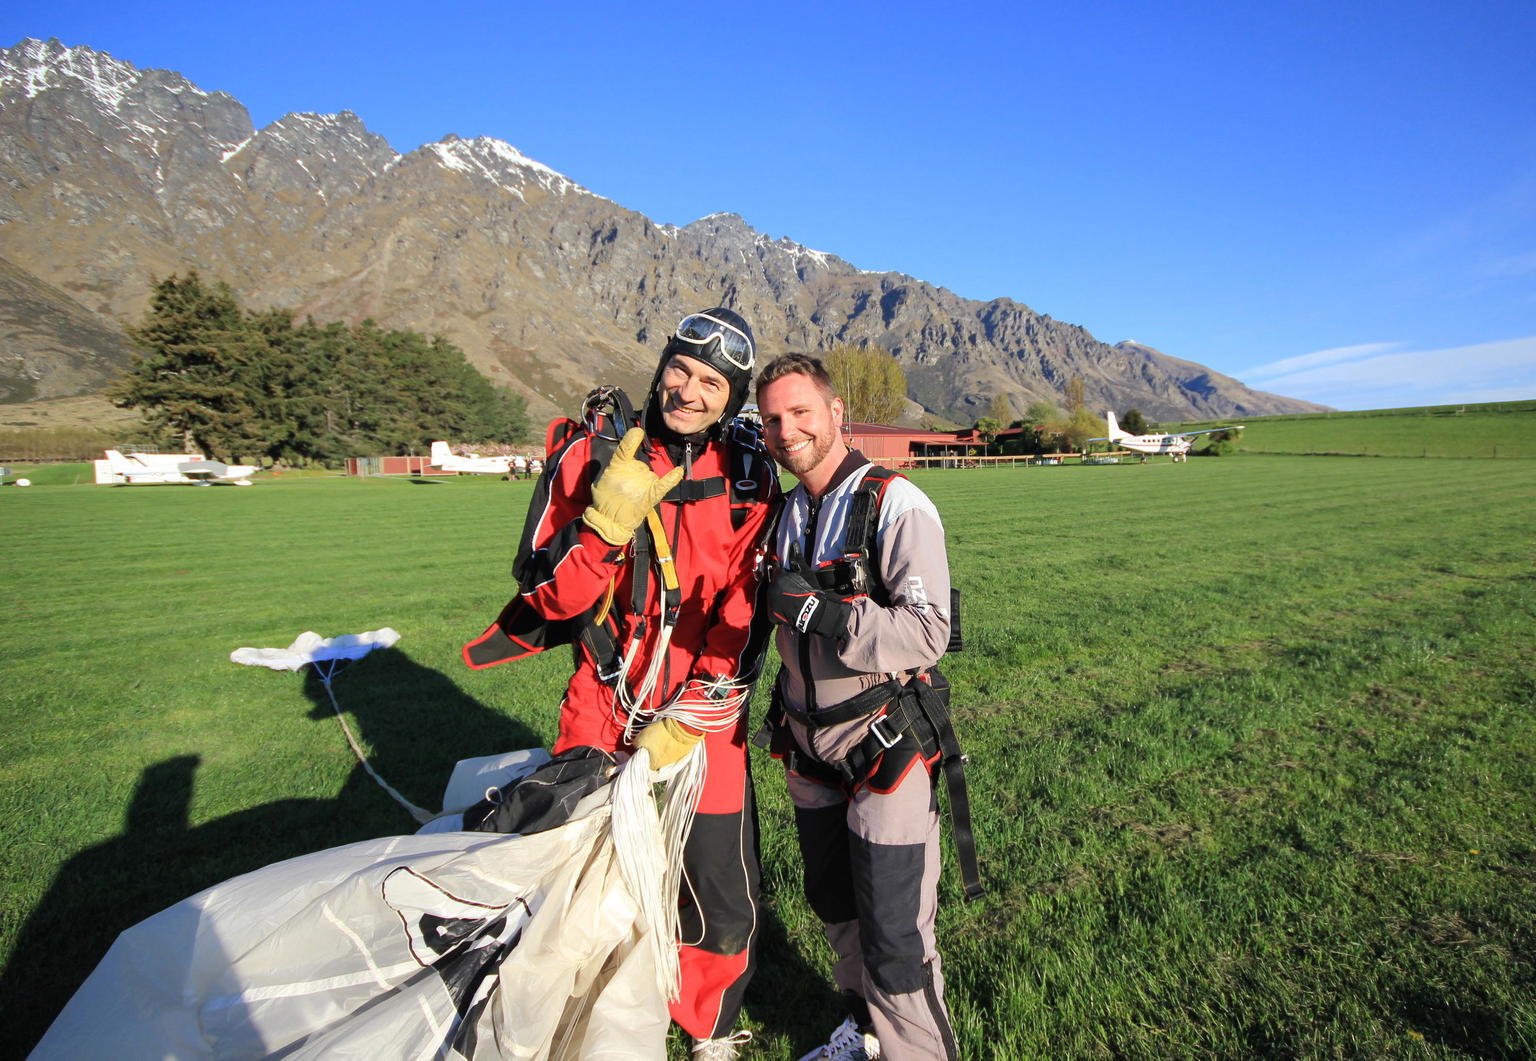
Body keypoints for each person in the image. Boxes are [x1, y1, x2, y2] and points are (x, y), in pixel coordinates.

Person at [468, 308, 778, 1060]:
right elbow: (549, 599)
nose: (690, 390)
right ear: (661, 364)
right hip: (605, 698)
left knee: (720, 886)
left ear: (731, 398)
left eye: (712, 382)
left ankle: (708, 1029)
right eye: (681, 368)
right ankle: (561, 1028)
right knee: (575, 887)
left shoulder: (746, 472)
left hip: (703, 710)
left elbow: (745, 606)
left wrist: (697, 709)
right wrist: (605, 527)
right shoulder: (590, 452)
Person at [755, 354, 960, 1061]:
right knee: (836, 908)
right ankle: (865, 1034)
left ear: (836, 413)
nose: (787, 430)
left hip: (882, 743)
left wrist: (825, 614)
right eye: (773, 419)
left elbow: (931, 631)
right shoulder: (783, 512)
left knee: (895, 936)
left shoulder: (894, 502)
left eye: (801, 412)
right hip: (805, 745)